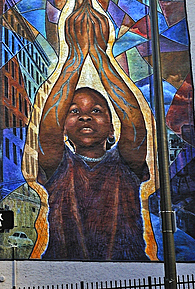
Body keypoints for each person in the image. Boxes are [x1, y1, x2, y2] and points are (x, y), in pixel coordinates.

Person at [37, 64, 151, 260]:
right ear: (63, 129)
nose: (85, 117)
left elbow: (135, 124)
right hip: (62, 270)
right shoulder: (59, 165)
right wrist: (74, 61)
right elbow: (48, 132)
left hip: (129, 270)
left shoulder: (125, 164)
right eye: (74, 111)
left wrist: (101, 58)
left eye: (96, 110)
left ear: (112, 130)